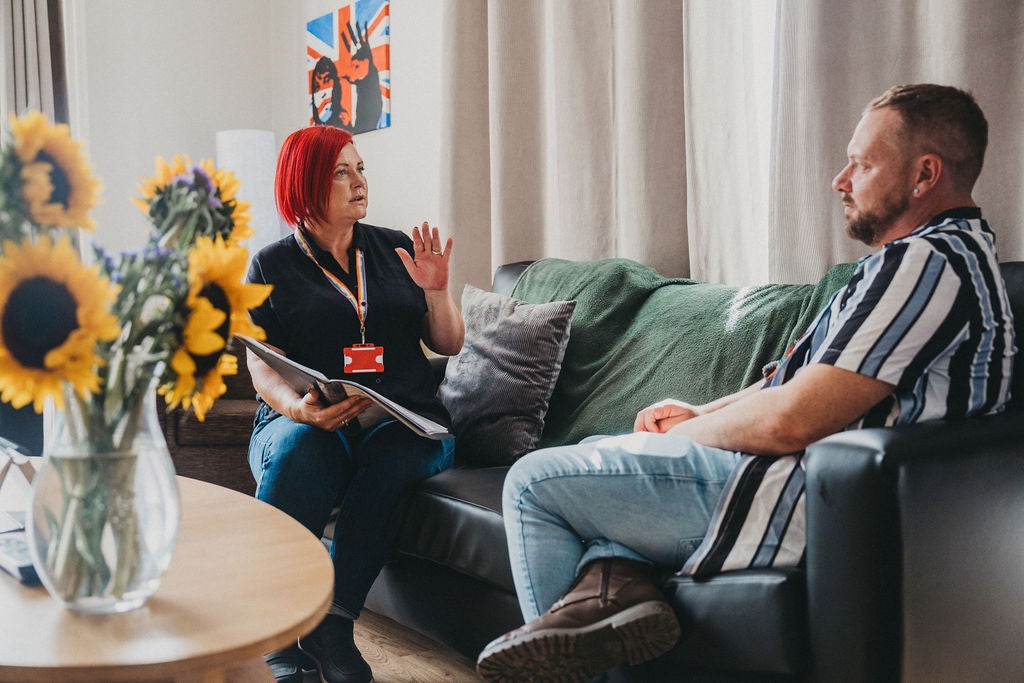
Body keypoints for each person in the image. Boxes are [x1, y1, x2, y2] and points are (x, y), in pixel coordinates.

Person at [476, 83, 1016, 682]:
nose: (840, 180)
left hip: (802, 494)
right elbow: (795, 380)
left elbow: (794, 420)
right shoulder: (930, 260)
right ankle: (612, 588)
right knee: (597, 452)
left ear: (924, 175)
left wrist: (687, 434)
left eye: (862, 164)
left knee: (532, 483)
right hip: (793, 481)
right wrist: (701, 412)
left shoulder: (927, 263)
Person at [245, 125, 464, 683]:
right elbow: (261, 362)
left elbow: (448, 343)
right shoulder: (270, 266)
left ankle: (333, 623)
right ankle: (276, 632)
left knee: (397, 455)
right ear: (305, 183)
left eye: (360, 169)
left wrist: (438, 292)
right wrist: (297, 409)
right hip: (309, 417)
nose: (359, 182)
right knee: (302, 449)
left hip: (403, 419)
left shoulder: (396, 249)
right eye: (341, 172)